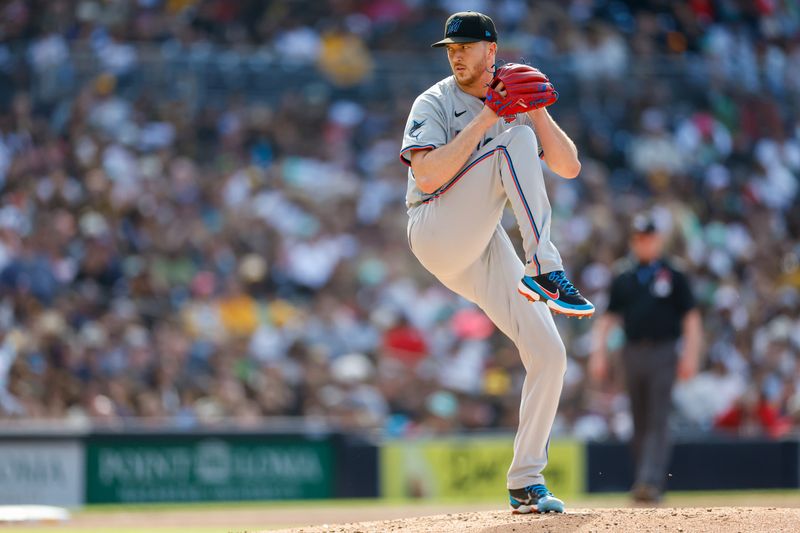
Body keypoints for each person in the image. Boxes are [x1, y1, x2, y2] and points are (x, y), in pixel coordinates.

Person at [400, 11, 593, 514]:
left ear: (492, 49)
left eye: (465, 45)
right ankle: (546, 268)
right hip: (436, 228)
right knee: (513, 140)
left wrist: (536, 111)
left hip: (483, 243)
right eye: (450, 47)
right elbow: (426, 177)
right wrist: (492, 119)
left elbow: (569, 167)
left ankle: (526, 482)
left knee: (550, 355)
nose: (456, 54)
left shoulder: (512, 93)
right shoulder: (434, 101)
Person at [589, 212, 703, 503]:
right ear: (633, 241)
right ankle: (644, 478)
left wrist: (690, 355)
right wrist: (599, 354)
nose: (644, 244)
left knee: (658, 417)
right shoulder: (623, 275)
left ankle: (650, 480)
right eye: (639, 238)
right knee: (638, 417)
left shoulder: (674, 274)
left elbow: (690, 319)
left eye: (649, 238)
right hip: (632, 351)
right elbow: (608, 319)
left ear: (659, 240)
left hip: (664, 351)